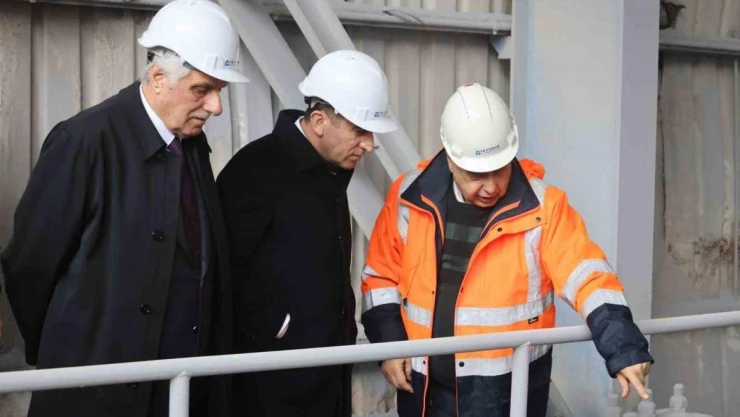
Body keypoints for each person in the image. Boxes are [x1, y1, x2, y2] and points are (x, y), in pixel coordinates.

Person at [0, 1, 249, 416]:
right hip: (97, 393)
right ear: (159, 78)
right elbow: (29, 265)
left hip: (182, 391)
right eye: (202, 90)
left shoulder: (191, 145)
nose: (216, 107)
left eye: (219, 91)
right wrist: (69, 350)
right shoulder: (84, 142)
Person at [360, 83, 654, 417]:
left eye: (499, 169)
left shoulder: (544, 208)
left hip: (509, 395)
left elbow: (590, 279)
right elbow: (380, 278)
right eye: (476, 174)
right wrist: (390, 346)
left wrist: (624, 347)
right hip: (423, 392)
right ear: (451, 159)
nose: (491, 187)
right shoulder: (408, 198)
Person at [216, 49, 398, 417]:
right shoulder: (254, 171)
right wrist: (279, 328)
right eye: (360, 131)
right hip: (271, 386)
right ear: (319, 121)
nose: (370, 144)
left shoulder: (330, 170)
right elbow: (222, 271)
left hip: (327, 375)